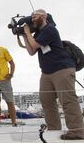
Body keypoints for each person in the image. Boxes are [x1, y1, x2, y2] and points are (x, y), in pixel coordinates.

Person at [21, 9, 84, 140]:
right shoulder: (38, 33)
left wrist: (27, 32)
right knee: (46, 100)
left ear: (44, 17)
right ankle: (54, 129)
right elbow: (31, 50)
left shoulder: (49, 29)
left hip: (62, 68)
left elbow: (34, 44)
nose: (32, 19)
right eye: (31, 17)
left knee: (67, 100)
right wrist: (23, 35)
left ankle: (78, 131)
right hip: (46, 71)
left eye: (35, 16)